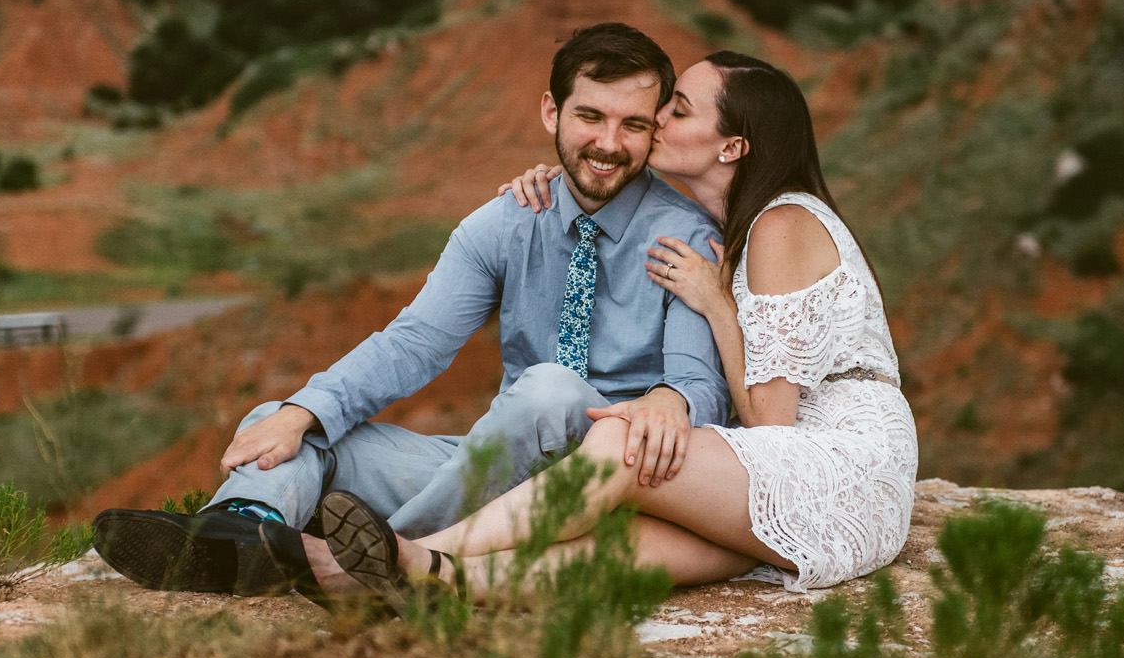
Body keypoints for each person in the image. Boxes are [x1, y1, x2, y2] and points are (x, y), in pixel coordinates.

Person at [92, 23, 729, 600]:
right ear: (550, 111)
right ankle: (241, 535)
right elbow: (415, 342)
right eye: (590, 116)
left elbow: (698, 385)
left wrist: (670, 397)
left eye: (633, 125)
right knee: (289, 422)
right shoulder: (506, 223)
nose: (609, 144)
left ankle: (377, 560)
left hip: (602, 483)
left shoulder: (683, 235)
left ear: (655, 130)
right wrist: (304, 411)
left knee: (551, 391)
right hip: (497, 464)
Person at [313, 50, 918, 605]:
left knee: (623, 444)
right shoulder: (734, 227)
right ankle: (442, 582)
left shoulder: (779, 224)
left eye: (677, 110)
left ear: (731, 147)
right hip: (802, 484)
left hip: (835, 464)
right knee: (622, 544)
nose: (655, 121)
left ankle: (410, 552)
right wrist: (558, 179)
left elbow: (773, 424)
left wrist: (717, 307)